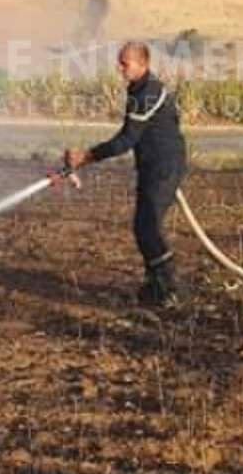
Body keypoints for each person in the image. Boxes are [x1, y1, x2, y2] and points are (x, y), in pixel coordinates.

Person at [64, 42, 187, 307]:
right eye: (119, 62)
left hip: (164, 167)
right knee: (143, 226)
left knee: (148, 226)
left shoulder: (148, 94)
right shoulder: (139, 89)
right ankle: (155, 285)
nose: (119, 68)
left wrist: (87, 156)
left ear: (143, 63)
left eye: (125, 63)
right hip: (152, 165)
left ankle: (168, 288)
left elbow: (126, 140)